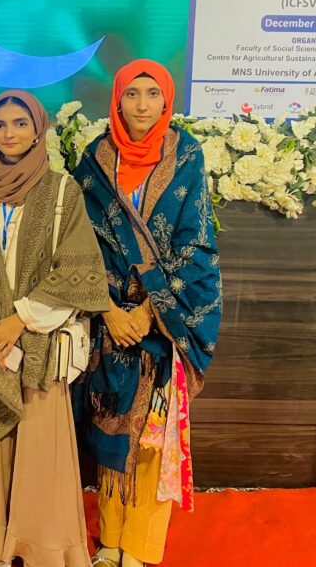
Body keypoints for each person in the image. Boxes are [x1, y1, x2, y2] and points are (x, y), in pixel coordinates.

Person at [0, 90, 109, 567]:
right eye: (0, 125)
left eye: (20, 123)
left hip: (38, 343)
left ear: (37, 130)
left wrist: (18, 322)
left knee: (40, 451)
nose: (9, 133)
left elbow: (78, 271)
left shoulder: (62, 191)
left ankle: (39, 547)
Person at [74, 60, 222, 567]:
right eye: (132, 93)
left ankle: (138, 547)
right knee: (110, 428)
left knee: (152, 437)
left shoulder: (186, 156)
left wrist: (147, 310)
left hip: (163, 322)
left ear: (166, 101)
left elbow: (196, 242)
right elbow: (79, 245)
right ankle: (109, 540)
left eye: (152, 94)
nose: (142, 104)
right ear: (117, 100)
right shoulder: (95, 160)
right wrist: (109, 310)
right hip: (109, 319)